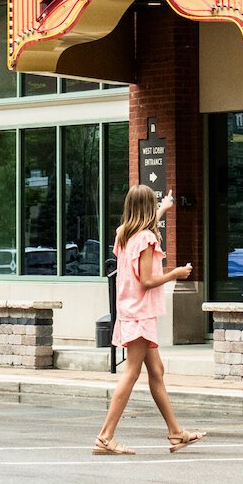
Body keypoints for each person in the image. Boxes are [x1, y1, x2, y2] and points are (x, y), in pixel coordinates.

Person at [93, 185, 203, 456]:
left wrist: (164, 208)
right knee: (131, 374)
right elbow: (147, 280)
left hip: (131, 312)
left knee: (157, 372)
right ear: (146, 209)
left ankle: (176, 433)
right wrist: (174, 274)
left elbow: (143, 226)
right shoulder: (146, 240)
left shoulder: (123, 236)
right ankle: (105, 437)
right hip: (140, 314)